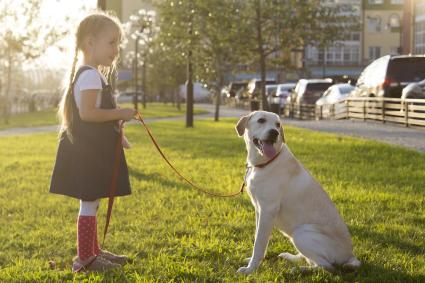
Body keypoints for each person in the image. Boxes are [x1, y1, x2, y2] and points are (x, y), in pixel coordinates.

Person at [49, 11, 136, 272]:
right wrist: (121, 113)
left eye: (118, 43)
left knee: (93, 200)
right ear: (89, 43)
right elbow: (88, 113)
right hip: (88, 153)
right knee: (89, 201)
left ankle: (93, 251)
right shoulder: (89, 75)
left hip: (92, 150)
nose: (116, 50)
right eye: (111, 42)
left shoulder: (91, 74)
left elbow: (95, 115)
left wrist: (119, 135)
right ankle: (85, 258)